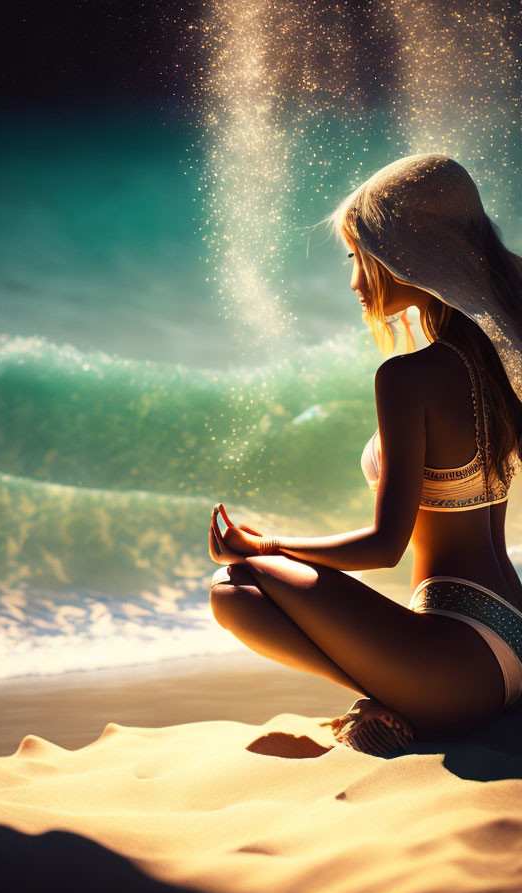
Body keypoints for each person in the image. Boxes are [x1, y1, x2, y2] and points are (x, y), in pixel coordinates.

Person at [207, 153, 522, 756]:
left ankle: (392, 698)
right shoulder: (501, 358)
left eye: (359, 255)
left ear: (407, 252)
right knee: (246, 587)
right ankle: (393, 692)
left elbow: (384, 548)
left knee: (232, 587)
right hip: (513, 626)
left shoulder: (408, 378)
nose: (354, 279)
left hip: (460, 668)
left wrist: (266, 545)